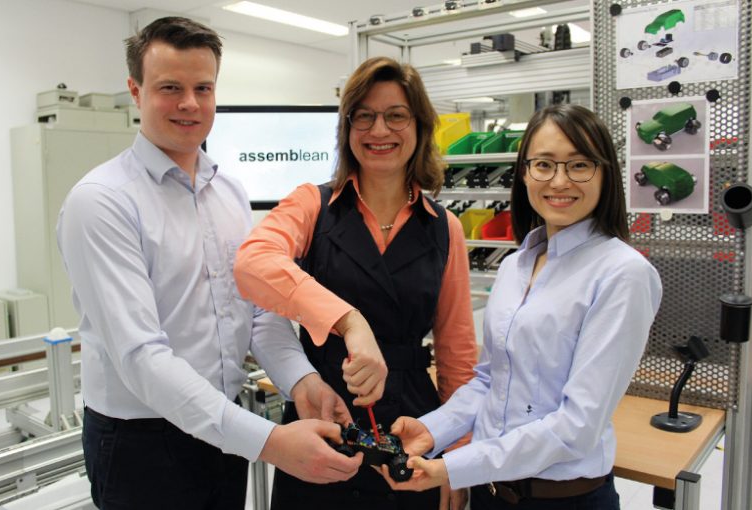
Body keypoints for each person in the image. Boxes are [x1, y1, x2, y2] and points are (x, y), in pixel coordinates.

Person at [57, 17, 363, 510]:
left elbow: (261, 314)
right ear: (135, 91)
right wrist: (268, 442)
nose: (190, 104)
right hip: (143, 442)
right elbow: (141, 357)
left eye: (203, 87)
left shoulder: (230, 193)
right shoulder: (102, 201)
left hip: (223, 430)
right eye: (169, 88)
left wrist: (301, 381)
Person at [376, 104, 663, 509]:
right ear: (525, 172)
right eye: (543, 164)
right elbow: (491, 381)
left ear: (605, 173)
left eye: (579, 165)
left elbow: (576, 427)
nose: (559, 181)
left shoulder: (622, 273)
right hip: (492, 492)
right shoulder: (515, 265)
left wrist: (455, 466)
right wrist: (431, 429)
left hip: (564, 500)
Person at [234, 56, 478, 510]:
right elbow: (253, 263)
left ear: (421, 126)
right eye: (363, 116)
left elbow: (457, 355)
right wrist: (350, 322)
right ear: (347, 129)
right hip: (322, 416)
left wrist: (459, 460)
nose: (378, 130)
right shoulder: (313, 204)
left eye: (396, 116)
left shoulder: (446, 229)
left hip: (413, 429)